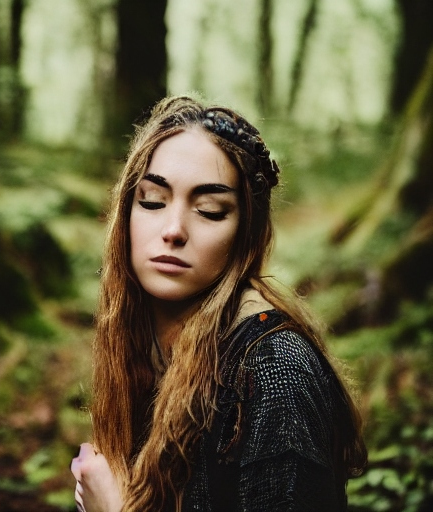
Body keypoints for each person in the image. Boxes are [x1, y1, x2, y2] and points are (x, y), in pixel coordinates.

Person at [70, 95, 367, 511]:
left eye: (210, 210)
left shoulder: (274, 369)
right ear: (126, 213)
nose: (173, 229)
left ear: (245, 232)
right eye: (153, 201)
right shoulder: (143, 342)